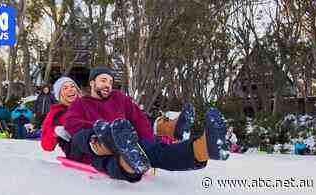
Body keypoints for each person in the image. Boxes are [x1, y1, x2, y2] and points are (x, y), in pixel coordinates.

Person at [64, 65, 229, 183]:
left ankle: (204, 148)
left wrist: (149, 143)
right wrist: (99, 129)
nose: (108, 85)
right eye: (103, 80)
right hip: (97, 150)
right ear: (92, 83)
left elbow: (139, 119)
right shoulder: (81, 103)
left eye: (110, 82)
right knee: (86, 139)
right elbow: (71, 123)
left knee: (155, 151)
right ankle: (111, 146)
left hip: (126, 142)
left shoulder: (119, 98)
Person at [41, 77, 82, 155]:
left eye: (72, 86)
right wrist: (55, 131)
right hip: (76, 151)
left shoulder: (86, 106)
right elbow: (46, 145)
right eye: (65, 88)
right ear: (59, 95)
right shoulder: (56, 113)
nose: (70, 89)